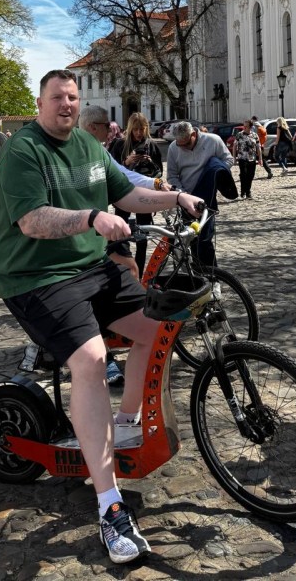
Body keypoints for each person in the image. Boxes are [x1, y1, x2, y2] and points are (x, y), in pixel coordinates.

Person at [0, 70, 203, 564]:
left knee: (159, 329)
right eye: (57, 97)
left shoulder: (88, 148)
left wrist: (173, 198)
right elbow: (32, 221)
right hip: (35, 277)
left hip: (90, 267)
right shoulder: (24, 151)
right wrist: (90, 218)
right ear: (40, 102)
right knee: (89, 359)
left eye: (72, 97)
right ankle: (109, 506)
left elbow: (126, 195)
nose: (66, 104)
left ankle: (125, 423)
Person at [80, 105, 172, 389]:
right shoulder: (82, 151)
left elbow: (124, 179)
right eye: (107, 125)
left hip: (102, 229)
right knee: (95, 293)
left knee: (130, 268)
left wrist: (160, 186)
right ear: (93, 127)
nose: (112, 130)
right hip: (83, 234)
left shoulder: (99, 151)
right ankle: (104, 355)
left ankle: (121, 331)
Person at [166, 120, 236, 267]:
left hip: (207, 198)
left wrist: (214, 171)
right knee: (192, 239)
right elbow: (172, 176)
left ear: (194, 134)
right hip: (186, 199)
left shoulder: (213, 141)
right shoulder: (174, 148)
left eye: (186, 143)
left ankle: (212, 276)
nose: (183, 147)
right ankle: (198, 277)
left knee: (205, 239)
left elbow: (228, 159)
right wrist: (182, 194)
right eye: (180, 144)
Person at [108, 112, 163, 277]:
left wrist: (151, 164)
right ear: (130, 129)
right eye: (136, 129)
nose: (139, 132)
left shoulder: (151, 146)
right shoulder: (119, 145)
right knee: (120, 233)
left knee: (143, 235)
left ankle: (138, 272)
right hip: (124, 193)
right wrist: (127, 162)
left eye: (142, 129)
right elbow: (111, 169)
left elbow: (158, 172)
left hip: (144, 194)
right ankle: (123, 268)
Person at [234, 121, 260, 200]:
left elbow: (258, 147)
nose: (244, 128)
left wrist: (260, 158)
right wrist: (234, 157)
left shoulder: (255, 135)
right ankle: (243, 192)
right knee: (243, 174)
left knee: (251, 175)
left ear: (250, 127)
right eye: (243, 126)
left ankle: (248, 191)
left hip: (252, 158)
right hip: (242, 158)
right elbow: (235, 146)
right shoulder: (239, 135)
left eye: (246, 126)